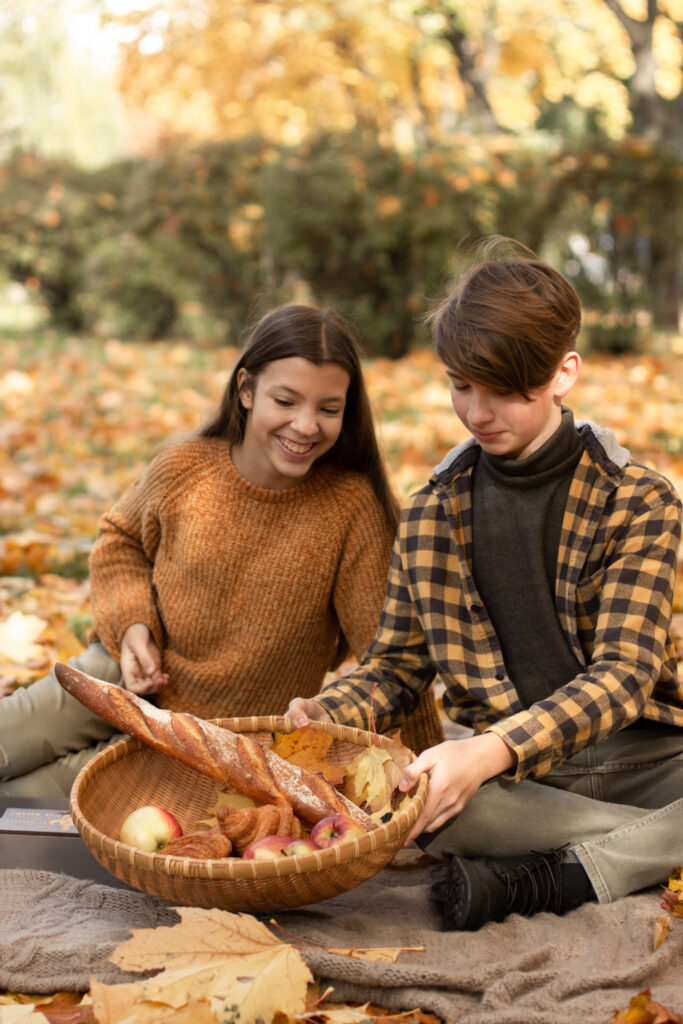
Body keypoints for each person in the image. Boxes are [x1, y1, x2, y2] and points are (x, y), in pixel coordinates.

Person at [288, 239, 683, 931]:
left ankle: (566, 872)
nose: (475, 412)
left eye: (503, 390)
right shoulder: (433, 510)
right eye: (459, 384)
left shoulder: (639, 501)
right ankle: (641, 847)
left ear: (563, 373)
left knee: (448, 800)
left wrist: (488, 750)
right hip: (513, 784)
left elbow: (623, 677)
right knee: (423, 809)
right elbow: (396, 665)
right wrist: (331, 710)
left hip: (642, 758)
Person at [0, 303, 443, 798]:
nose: (305, 424)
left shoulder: (350, 510)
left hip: (209, 746)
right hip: (117, 676)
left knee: (18, 804)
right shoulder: (184, 468)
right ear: (246, 389)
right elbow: (119, 542)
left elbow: (391, 659)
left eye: (328, 409)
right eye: (286, 400)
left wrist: (425, 776)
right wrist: (132, 627)